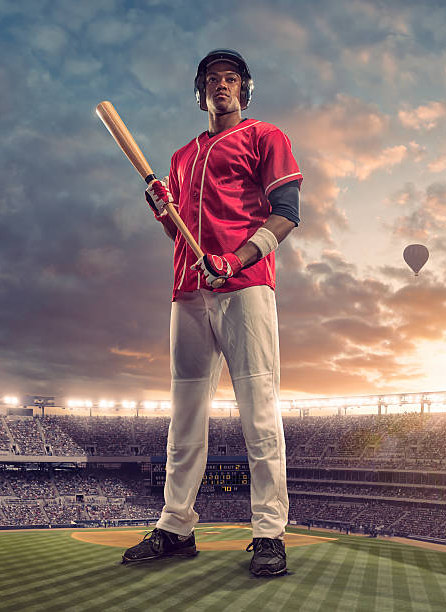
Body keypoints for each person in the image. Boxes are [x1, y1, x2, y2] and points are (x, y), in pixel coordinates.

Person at [122, 49, 302, 577]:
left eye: (230, 79)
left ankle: (269, 533)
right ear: (199, 92)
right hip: (188, 289)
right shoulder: (181, 156)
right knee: (185, 415)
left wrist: (236, 258)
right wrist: (162, 207)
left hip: (245, 285)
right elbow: (178, 232)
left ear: (244, 89)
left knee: (259, 410)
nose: (220, 86)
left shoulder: (265, 136)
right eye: (211, 80)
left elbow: (286, 214)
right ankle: (176, 526)